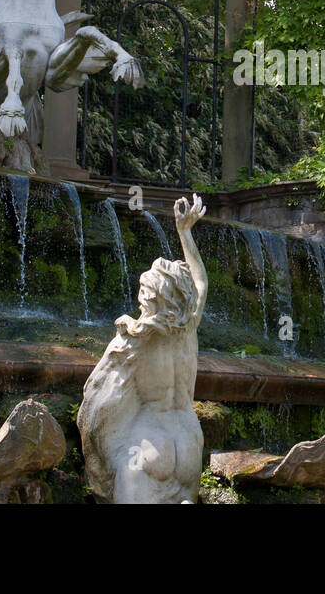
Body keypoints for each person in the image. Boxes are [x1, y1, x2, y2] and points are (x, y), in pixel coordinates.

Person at [77, 194, 209, 503]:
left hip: (147, 445)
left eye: (143, 293)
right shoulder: (188, 327)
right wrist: (185, 232)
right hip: (189, 442)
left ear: (150, 296)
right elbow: (201, 281)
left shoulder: (135, 336)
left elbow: (103, 398)